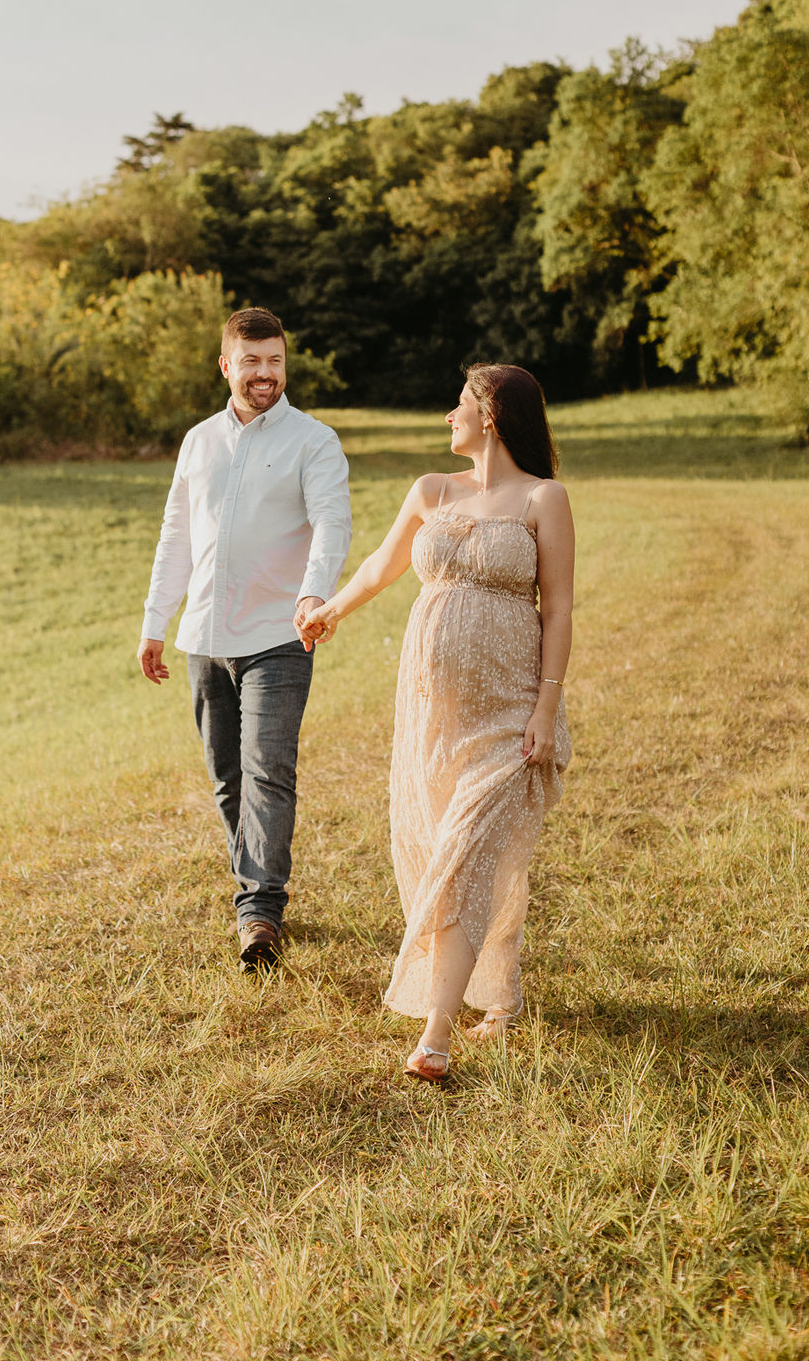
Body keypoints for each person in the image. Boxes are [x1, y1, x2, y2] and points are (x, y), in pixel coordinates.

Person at [299, 363, 573, 1081]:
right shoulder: (431, 491)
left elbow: (559, 607)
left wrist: (546, 707)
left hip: (510, 709)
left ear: (491, 415)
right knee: (457, 855)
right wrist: (329, 611)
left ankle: (436, 1034)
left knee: (466, 851)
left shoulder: (543, 498)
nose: (449, 416)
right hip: (432, 713)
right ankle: (498, 995)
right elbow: (379, 568)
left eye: (459, 404)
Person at [137, 307, 352, 973]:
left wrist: (313, 594)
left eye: (275, 361)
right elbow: (176, 536)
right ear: (226, 365)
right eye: (252, 362)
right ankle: (257, 890)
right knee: (227, 781)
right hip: (204, 636)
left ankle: (260, 910)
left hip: (279, 635)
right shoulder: (198, 442)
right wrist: (155, 623)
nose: (266, 374)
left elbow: (332, 523)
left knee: (267, 771)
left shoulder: (314, 441)